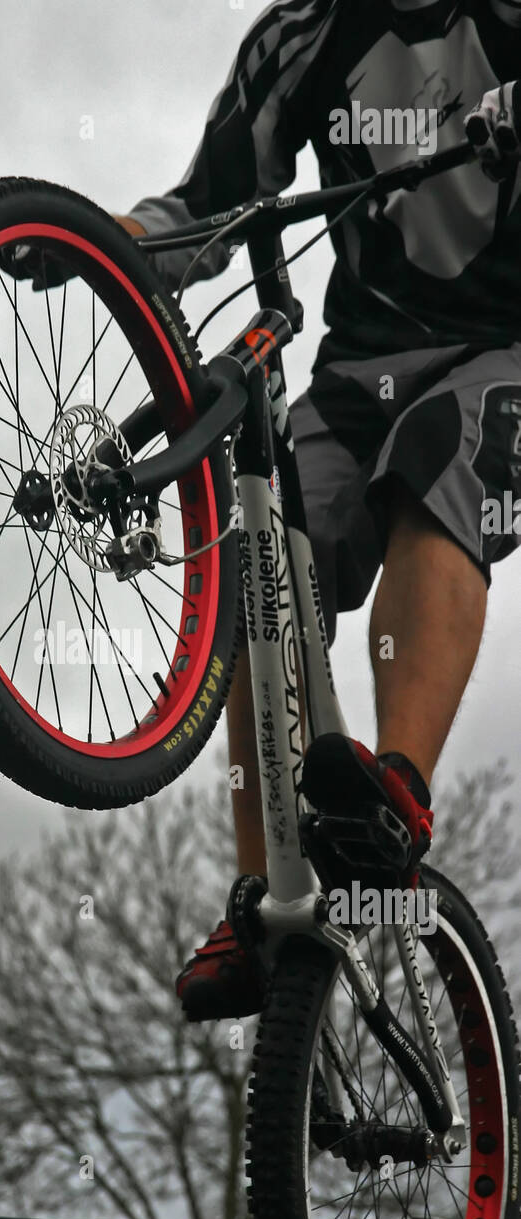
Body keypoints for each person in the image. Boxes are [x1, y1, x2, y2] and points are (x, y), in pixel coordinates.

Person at [113, 0, 521, 1022]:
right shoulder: (301, 34)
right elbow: (208, 203)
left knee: (443, 457)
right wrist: (100, 243)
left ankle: (397, 785)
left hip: (505, 350)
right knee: (259, 550)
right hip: (355, 369)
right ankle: (262, 892)